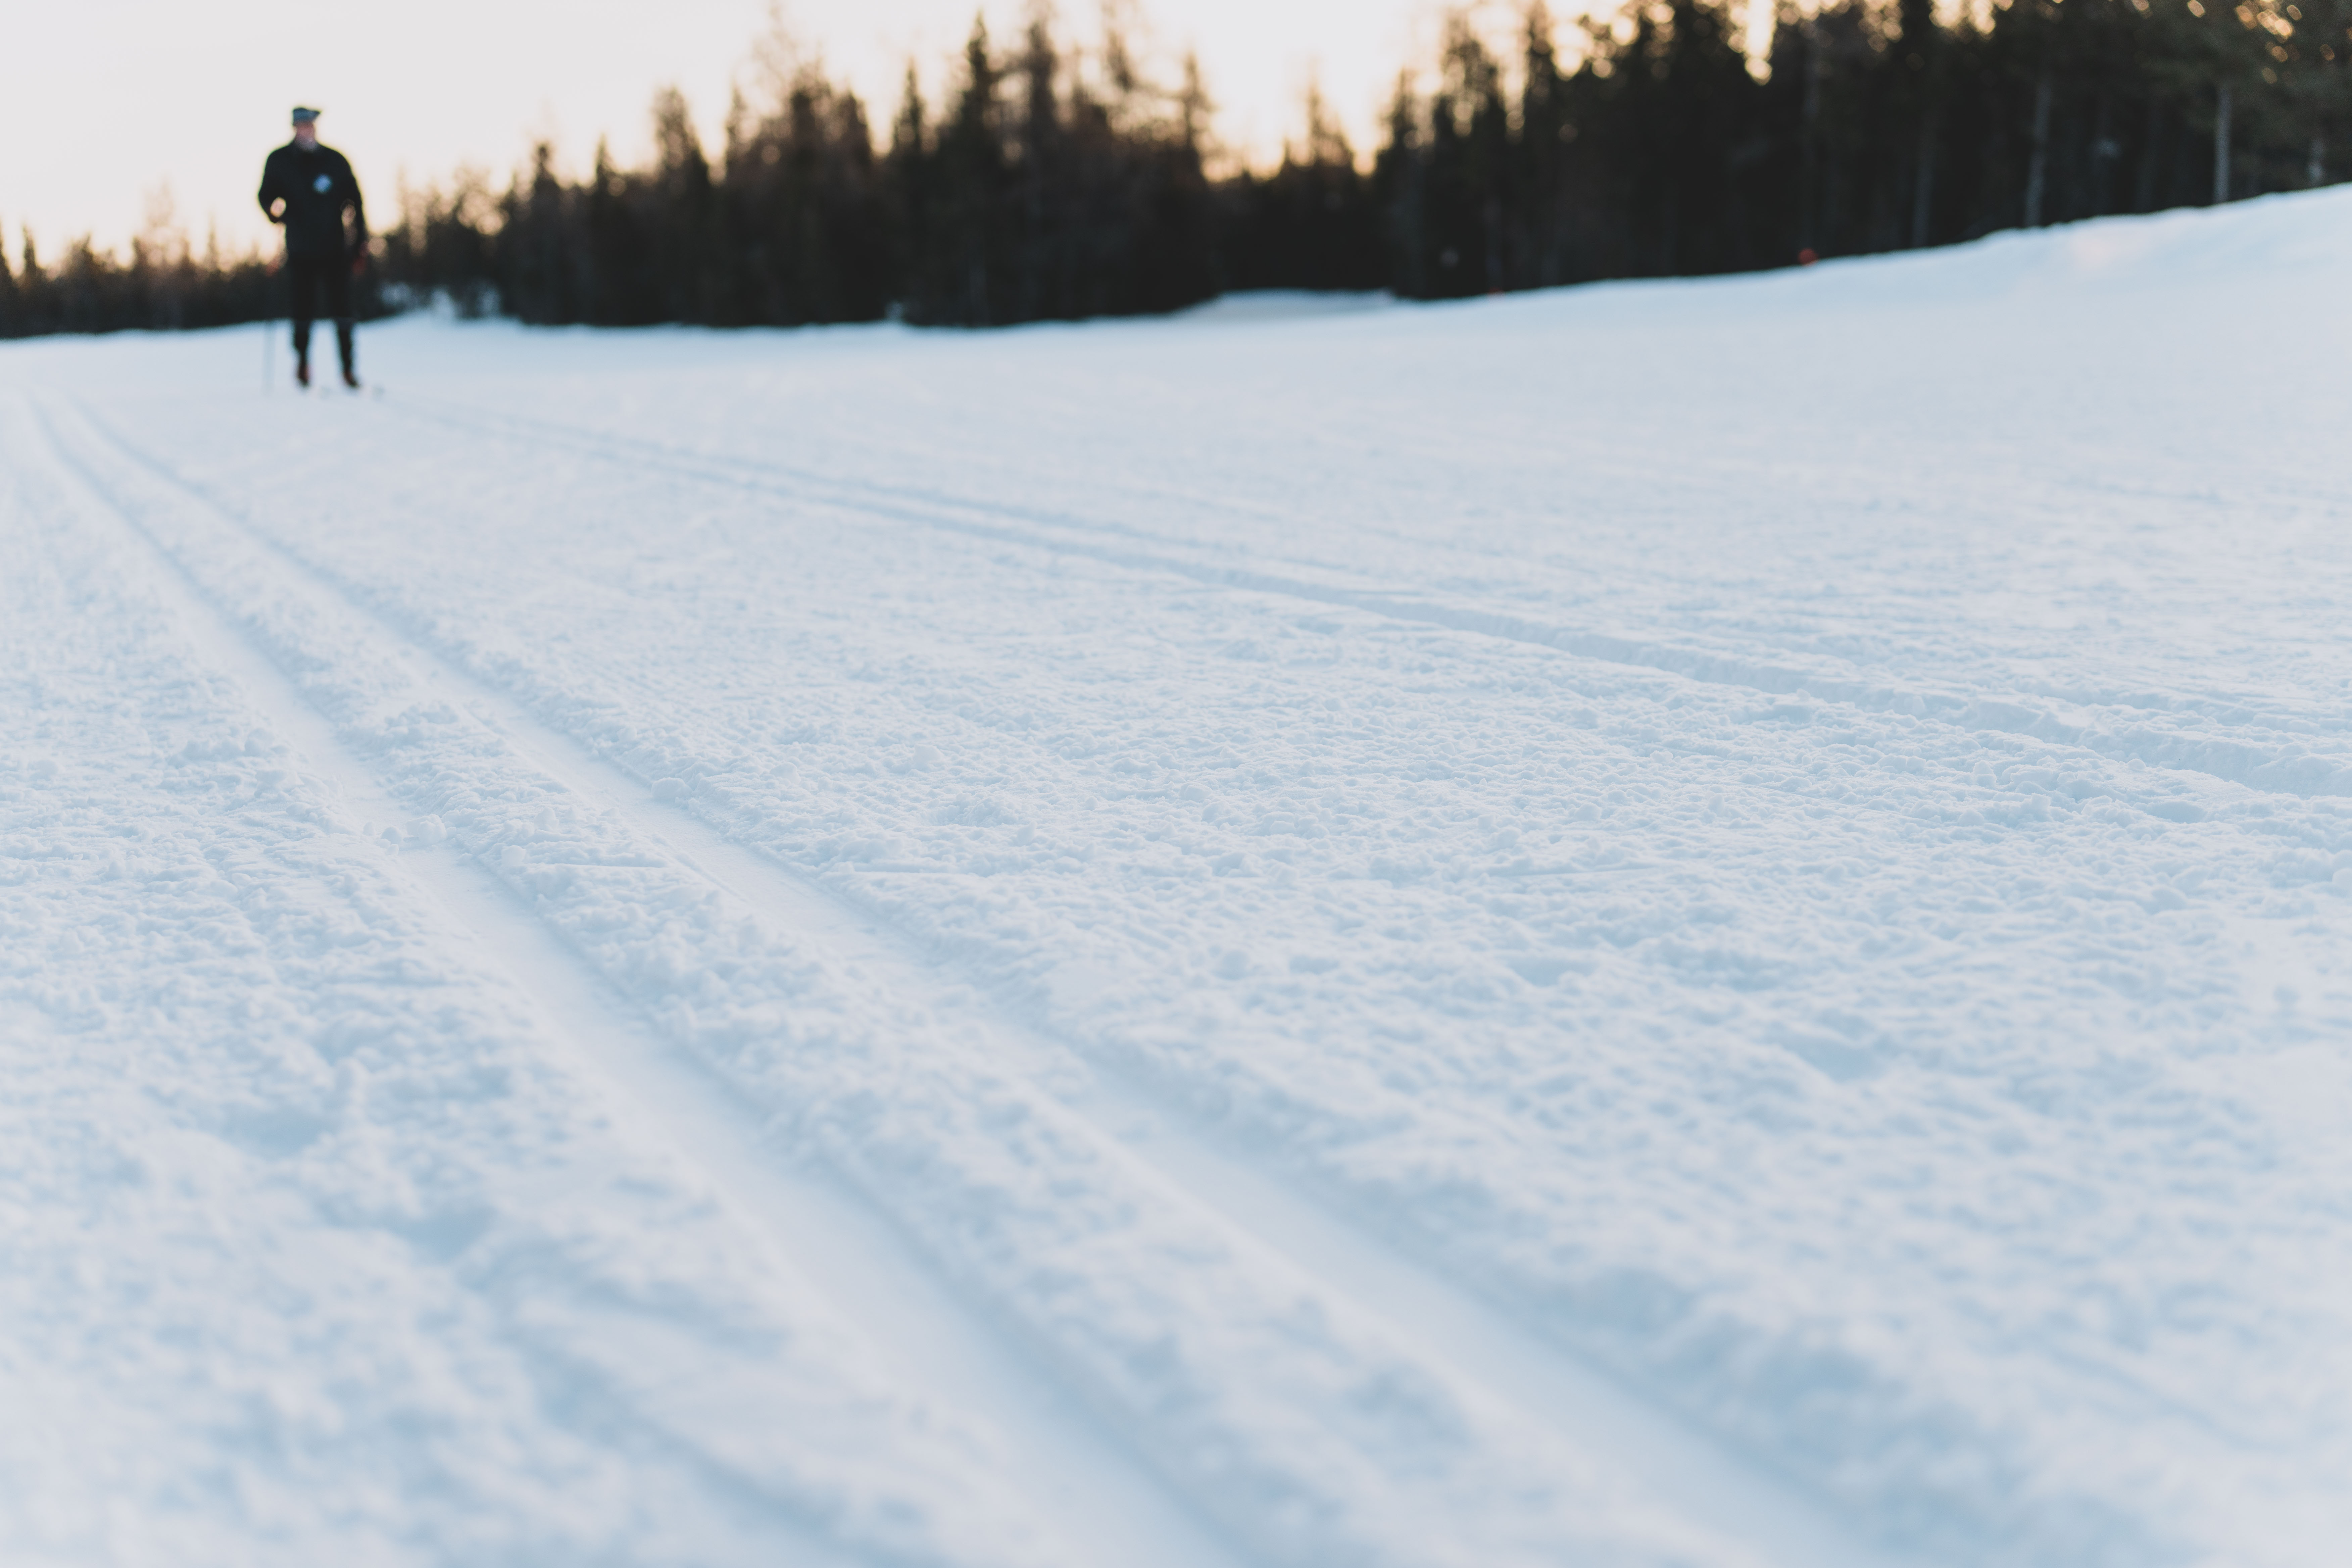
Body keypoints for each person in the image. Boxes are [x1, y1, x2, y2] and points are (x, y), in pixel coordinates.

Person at [257, 107, 367, 389]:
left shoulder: (335, 160)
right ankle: (303, 364)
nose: (306, 130)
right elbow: (265, 195)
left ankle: (348, 369)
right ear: (294, 128)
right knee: (302, 311)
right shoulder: (280, 160)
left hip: (335, 249)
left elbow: (356, 202)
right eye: (301, 126)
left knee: (343, 311)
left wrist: (360, 244)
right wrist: (275, 214)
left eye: (310, 125)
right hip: (299, 249)